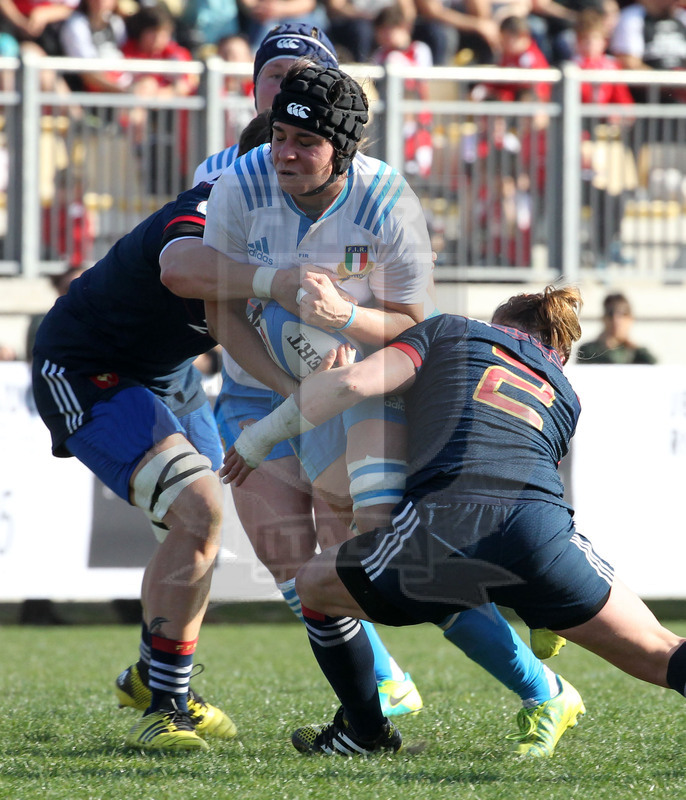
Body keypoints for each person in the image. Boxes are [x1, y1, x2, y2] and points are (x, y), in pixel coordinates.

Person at [190, 61, 584, 755]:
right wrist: (293, 390)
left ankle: (538, 686)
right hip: (267, 387)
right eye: (278, 136)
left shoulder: (387, 199)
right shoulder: (239, 183)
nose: (284, 153)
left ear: (342, 150)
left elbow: (414, 328)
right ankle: (377, 701)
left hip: (371, 388)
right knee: (293, 561)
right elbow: (219, 308)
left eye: (304, 143)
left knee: (393, 562)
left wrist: (342, 316)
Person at [221, 285, 686, 761]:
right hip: (540, 534)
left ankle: (364, 732)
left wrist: (258, 439)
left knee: (314, 587)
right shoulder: (566, 392)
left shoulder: (452, 329)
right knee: (661, 650)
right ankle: (541, 644)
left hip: (445, 528)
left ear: (499, 321)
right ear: (557, 352)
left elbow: (355, 383)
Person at [31, 181, 252, 752]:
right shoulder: (219, 197)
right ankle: (166, 707)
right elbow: (181, 271)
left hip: (173, 379)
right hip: (89, 365)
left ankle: (152, 677)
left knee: (203, 529)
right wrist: (280, 282)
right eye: (282, 143)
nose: (290, 156)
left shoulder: (312, 224)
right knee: (199, 512)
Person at [576, 291, 657, 363]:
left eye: (623, 314)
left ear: (630, 319)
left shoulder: (636, 353)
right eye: (610, 314)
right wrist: (604, 345)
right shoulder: (589, 350)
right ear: (604, 318)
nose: (616, 320)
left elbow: (653, 364)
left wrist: (632, 346)